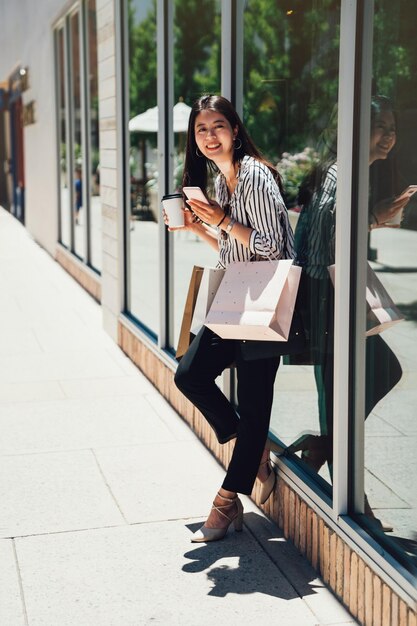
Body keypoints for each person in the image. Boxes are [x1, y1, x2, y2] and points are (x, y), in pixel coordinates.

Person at [163, 94, 294, 542]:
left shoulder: (255, 176)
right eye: (201, 129)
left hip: (266, 298)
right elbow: (234, 248)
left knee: (256, 401)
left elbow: (272, 249)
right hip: (240, 292)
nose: (210, 135)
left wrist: (221, 219)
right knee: (189, 375)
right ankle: (251, 447)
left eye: (218, 126)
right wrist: (199, 226)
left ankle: (226, 503)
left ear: (235, 130)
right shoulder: (224, 181)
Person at [289, 96, 408, 529]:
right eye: (380, 125)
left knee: (343, 393)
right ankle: (346, 488)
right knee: (373, 376)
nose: (389, 135)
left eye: (392, 127)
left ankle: (330, 457)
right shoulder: (344, 175)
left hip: (327, 296)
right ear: (355, 130)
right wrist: (374, 216)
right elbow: (330, 238)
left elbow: (327, 231)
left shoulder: (340, 171)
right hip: (327, 299)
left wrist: (374, 217)